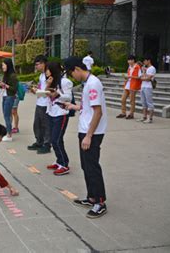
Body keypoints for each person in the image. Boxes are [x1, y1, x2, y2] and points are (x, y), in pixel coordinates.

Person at [64, 56, 108, 219]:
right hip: (85, 129)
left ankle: (100, 202)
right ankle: (91, 197)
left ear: (76, 69)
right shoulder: (86, 84)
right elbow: (88, 107)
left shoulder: (93, 83)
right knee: (85, 165)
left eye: (71, 74)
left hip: (92, 132)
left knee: (92, 166)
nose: (71, 77)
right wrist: (73, 106)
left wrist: (89, 136)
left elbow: (98, 112)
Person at [45, 62, 73, 175]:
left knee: (56, 139)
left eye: (48, 69)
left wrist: (58, 94)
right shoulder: (52, 81)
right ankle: (59, 161)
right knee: (55, 139)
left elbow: (69, 97)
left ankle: (64, 164)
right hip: (51, 112)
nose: (46, 72)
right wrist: (48, 85)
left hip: (61, 113)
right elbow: (46, 94)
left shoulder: (65, 82)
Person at [28, 55, 51, 154]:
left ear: (43, 63)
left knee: (45, 125)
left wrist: (39, 91)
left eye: (37, 64)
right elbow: (41, 88)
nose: (36, 67)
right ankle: (39, 141)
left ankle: (47, 144)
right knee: (37, 124)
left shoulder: (49, 74)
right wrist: (35, 90)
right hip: (39, 102)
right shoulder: (42, 75)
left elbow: (49, 90)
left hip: (46, 103)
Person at [0, 59, 18, 142]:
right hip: (5, 96)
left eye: (3, 65)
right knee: (6, 115)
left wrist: (5, 85)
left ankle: (9, 134)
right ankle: (8, 132)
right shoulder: (5, 75)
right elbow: (2, 86)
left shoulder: (13, 76)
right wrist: (0, 85)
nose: (2, 67)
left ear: (8, 65)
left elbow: (14, 89)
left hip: (10, 96)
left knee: (7, 115)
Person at [117, 55, 141, 119]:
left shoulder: (137, 67)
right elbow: (129, 75)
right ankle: (123, 113)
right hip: (127, 84)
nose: (129, 61)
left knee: (132, 100)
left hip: (133, 85)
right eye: (128, 60)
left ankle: (131, 114)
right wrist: (126, 78)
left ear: (133, 60)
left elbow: (139, 77)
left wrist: (130, 77)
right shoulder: (129, 67)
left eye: (130, 60)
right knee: (123, 99)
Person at [138, 56, 156, 123]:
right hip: (143, 86)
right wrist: (144, 72)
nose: (144, 62)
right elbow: (141, 77)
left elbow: (148, 78)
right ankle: (144, 117)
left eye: (145, 61)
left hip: (148, 87)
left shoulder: (152, 68)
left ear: (149, 60)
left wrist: (144, 76)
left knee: (149, 102)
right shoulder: (145, 68)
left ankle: (150, 118)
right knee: (143, 102)